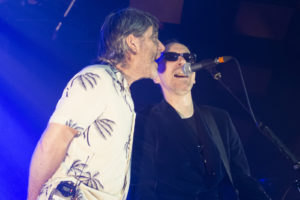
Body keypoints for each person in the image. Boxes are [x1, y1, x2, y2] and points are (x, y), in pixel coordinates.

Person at [27, 8, 165, 200]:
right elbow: (52, 143)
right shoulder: (98, 78)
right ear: (132, 42)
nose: (161, 47)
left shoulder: (121, 92)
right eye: (154, 38)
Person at [129, 41, 271, 200]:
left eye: (188, 57)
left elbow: (242, 179)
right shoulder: (145, 121)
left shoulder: (220, 119)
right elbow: (142, 188)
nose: (182, 62)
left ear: (194, 76)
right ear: (156, 76)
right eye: (172, 56)